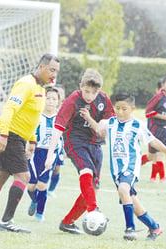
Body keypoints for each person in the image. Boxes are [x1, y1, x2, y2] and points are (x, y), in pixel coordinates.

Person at [0, 53, 60, 233]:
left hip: (19, 136)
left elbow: (32, 117)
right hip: (9, 133)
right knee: (23, 177)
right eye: (51, 70)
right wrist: (3, 135)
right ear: (41, 67)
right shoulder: (26, 84)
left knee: (0, 178)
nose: (54, 74)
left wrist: (32, 140)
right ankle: (6, 221)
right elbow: (10, 108)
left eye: (56, 71)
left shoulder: (42, 89)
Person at [98, 93, 166, 241]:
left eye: (124, 108)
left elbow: (153, 141)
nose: (120, 112)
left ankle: (130, 229)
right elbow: (99, 128)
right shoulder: (111, 122)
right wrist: (91, 120)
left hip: (130, 167)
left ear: (132, 109)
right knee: (132, 202)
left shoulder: (137, 125)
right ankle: (155, 227)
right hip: (116, 170)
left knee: (124, 190)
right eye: (117, 108)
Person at [45, 68, 115, 234]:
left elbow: (108, 121)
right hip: (75, 142)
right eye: (86, 91)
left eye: (93, 92)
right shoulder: (73, 101)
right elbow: (58, 128)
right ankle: (93, 210)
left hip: (96, 145)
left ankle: (67, 222)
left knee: (93, 188)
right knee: (86, 171)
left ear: (99, 91)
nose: (90, 96)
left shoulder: (104, 99)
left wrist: (105, 124)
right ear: (80, 86)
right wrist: (50, 155)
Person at [27, 86, 61, 222]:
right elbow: (30, 132)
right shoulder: (36, 115)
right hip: (36, 152)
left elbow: (63, 136)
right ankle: (34, 201)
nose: (51, 102)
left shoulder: (60, 118)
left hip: (51, 153)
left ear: (58, 102)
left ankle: (40, 213)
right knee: (30, 186)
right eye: (48, 98)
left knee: (42, 185)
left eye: (54, 99)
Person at [48, 84, 66, 198]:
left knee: (57, 168)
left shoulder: (65, 110)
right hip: (44, 144)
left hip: (59, 145)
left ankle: (51, 189)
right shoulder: (47, 108)